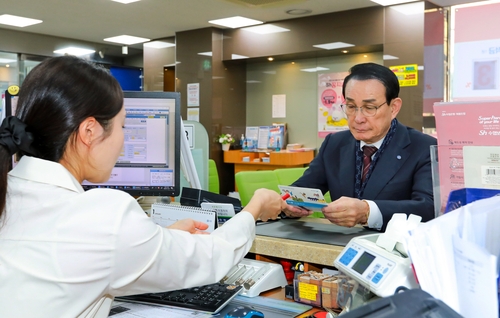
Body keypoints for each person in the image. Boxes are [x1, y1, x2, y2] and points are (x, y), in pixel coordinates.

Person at [0, 56, 285, 317]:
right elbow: (209, 257)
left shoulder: (9, 192)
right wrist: (255, 207)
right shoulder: (101, 216)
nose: (123, 140)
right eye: (122, 126)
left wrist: (154, 240)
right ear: (89, 131)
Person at [283, 62, 437, 231]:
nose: (358, 118)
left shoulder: (423, 147)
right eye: (350, 107)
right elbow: (306, 187)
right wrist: (287, 201)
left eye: (369, 107)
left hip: (395, 249)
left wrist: (367, 212)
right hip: (337, 245)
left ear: (394, 108)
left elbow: (427, 208)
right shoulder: (334, 144)